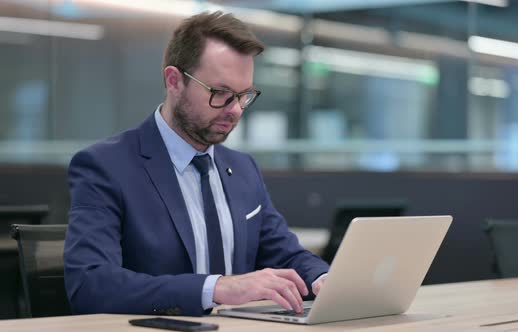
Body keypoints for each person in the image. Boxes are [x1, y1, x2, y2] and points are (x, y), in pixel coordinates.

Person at [64, 11, 329, 317]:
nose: (236, 111)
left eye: (244, 95)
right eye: (221, 93)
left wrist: (324, 279)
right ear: (174, 80)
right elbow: (90, 284)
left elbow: (284, 253)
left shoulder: (243, 169)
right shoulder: (107, 166)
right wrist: (215, 289)